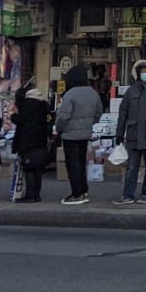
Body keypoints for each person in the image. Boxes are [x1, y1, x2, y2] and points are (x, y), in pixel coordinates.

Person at [115, 58, 146, 206]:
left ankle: (145, 194)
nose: (145, 75)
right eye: (142, 72)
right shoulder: (131, 91)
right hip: (133, 135)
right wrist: (119, 133)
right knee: (131, 168)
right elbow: (122, 113)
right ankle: (128, 194)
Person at [55, 64, 100, 205]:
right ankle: (84, 190)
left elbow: (63, 116)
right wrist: (89, 125)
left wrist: (59, 129)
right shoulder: (93, 93)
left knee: (73, 165)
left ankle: (77, 193)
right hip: (85, 134)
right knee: (81, 163)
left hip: (70, 134)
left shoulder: (70, 94)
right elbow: (99, 113)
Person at [11, 81, 53, 203]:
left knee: (29, 169)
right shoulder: (43, 106)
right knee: (37, 170)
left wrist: (13, 115)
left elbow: (19, 120)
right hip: (40, 141)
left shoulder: (27, 105)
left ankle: (30, 195)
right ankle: (36, 194)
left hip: (27, 141)